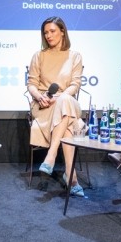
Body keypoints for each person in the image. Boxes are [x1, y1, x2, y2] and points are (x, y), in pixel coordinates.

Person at [27, 16, 85, 197]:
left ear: (62, 32)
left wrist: (60, 98)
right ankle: (71, 176)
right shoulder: (39, 56)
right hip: (43, 104)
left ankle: (51, 155)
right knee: (68, 123)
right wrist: (39, 96)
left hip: (66, 101)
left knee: (65, 102)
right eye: (45, 32)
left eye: (52, 31)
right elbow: (31, 85)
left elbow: (75, 85)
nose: (49, 35)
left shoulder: (74, 56)